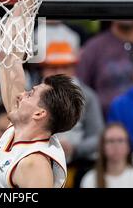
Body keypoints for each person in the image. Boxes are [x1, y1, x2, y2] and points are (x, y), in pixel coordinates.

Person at [0, 4, 85, 188]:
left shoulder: (35, 165)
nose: (21, 95)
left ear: (39, 114)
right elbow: (9, 54)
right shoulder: (17, 128)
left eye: (31, 94)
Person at [39, 41, 104, 187]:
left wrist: (75, 148)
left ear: (74, 69)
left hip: (77, 163)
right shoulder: (33, 96)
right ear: (43, 70)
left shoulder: (88, 96)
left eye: (64, 67)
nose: (58, 72)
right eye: (53, 67)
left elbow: (98, 136)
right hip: (40, 160)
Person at [80, 124, 133, 188]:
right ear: (103, 147)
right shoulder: (90, 178)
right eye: (110, 141)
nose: (116, 145)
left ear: (128, 146)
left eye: (120, 140)